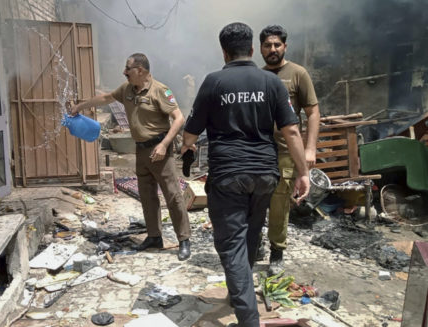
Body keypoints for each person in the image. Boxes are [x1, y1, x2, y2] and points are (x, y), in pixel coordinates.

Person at [181, 22, 310, 327]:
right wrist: (303, 173)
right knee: (251, 235)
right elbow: (291, 129)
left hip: (229, 176)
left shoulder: (214, 82)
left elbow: (189, 134)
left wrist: (187, 149)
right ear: (253, 49)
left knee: (231, 245)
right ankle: (241, 294)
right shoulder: (271, 82)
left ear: (224, 52)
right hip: (266, 174)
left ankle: (248, 319)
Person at [70, 53, 191, 261]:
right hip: (141, 150)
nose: (124, 72)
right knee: (146, 195)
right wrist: (80, 107)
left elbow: (179, 118)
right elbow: (107, 97)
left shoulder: (160, 90)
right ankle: (154, 236)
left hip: (159, 150)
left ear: (141, 70)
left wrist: (164, 145)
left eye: (128, 69)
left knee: (172, 195)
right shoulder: (127, 89)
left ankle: (184, 240)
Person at [259, 25, 320, 276]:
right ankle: (254, 244)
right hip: (260, 150)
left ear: (285, 46)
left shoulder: (298, 74)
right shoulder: (257, 76)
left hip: (286, 149)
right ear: (259, 48)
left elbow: (313, 112)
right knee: (256, 200)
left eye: (277, 45)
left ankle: (277, 251)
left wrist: (310, 148)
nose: (272, 49)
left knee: (279, 202)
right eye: (267, 45)